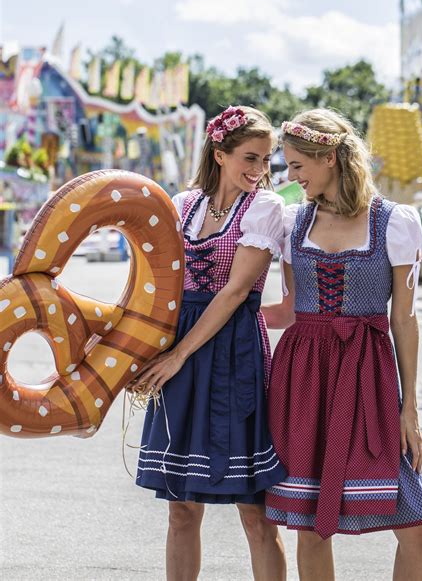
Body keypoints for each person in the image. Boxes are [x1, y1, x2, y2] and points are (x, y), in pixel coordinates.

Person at [263, 109, 422, 581]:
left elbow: (404, 318)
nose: (291, 176)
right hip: (303, 378)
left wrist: (410, 410)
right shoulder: (293, 222)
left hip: (370, 377)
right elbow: (290, 308)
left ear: (331, 158)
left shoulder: (395, 222)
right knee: (311, 528)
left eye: (298, 165)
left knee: (419, 528)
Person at [131, 105, 287, 581]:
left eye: (266, 160)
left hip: (234, 351)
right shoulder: (182, 205)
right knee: (181, 508)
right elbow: (156, 283)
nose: (260, 170)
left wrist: (178, 355)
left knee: (254, 511)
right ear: (219, 154)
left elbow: (237, 291)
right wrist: (143, 350)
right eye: (250, 157)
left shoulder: (264, 209)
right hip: (181, 346)